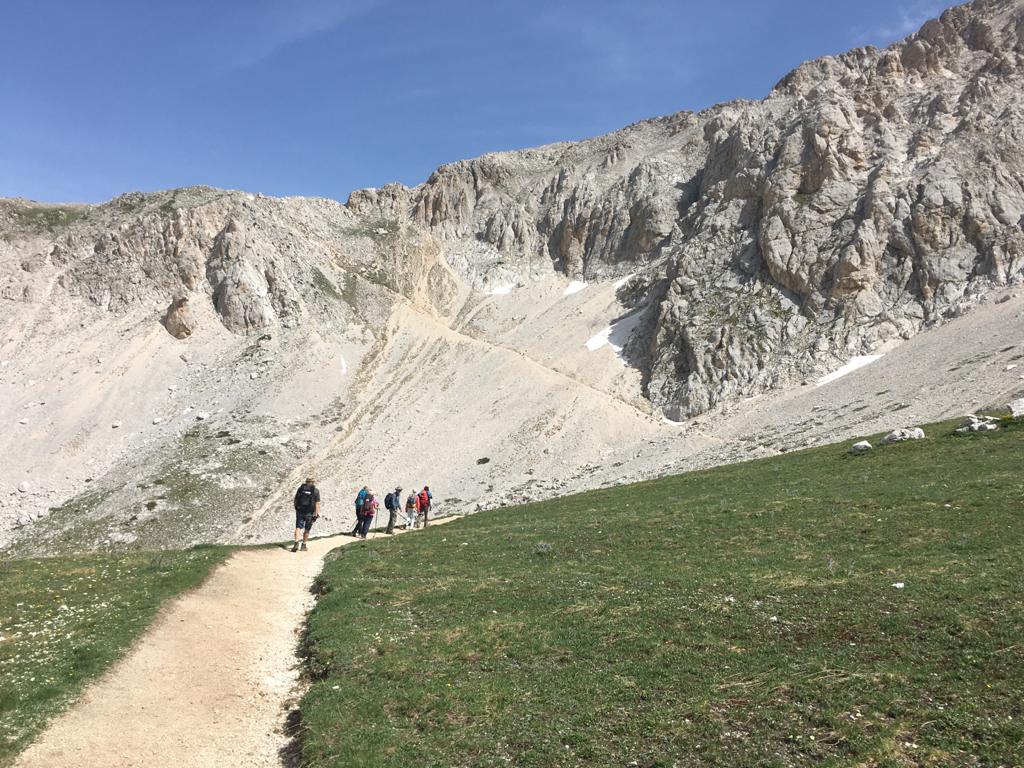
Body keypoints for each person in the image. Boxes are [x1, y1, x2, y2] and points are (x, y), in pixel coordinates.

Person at [291, 476, 320, 552]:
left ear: (306, 481)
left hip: (300, 511)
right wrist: (316, 514)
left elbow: (295, 499)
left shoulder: (300, 489)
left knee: (298, 527)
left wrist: (296, 508)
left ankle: (296, 542)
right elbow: (317, 503)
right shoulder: (316, 491)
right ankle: (303, 545)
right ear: (313, 482)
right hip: (309, 513)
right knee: (307, 529)